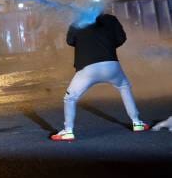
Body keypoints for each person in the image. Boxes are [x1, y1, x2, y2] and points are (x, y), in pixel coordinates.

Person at [51, 10, 150, 141]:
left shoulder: (78, 21)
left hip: (87, 68)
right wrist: (106, 44)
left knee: (70, 98)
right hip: (111, 64)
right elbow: (121, 38)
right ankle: (137, 122)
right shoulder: (111, 19)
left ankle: (68, 131)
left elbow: (70, 41)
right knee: (124, 87)